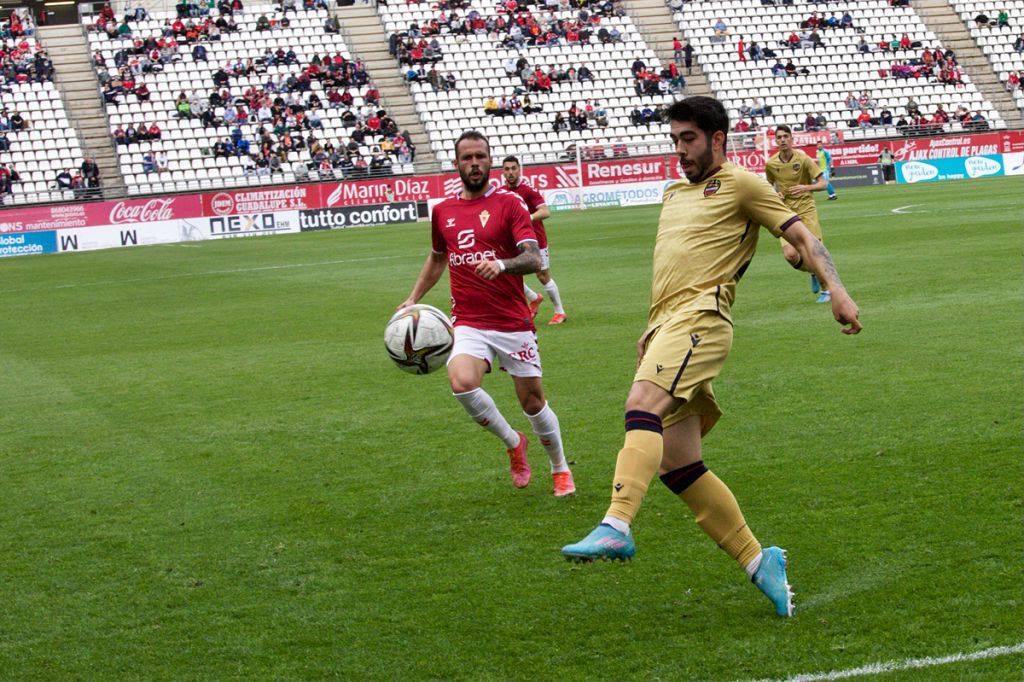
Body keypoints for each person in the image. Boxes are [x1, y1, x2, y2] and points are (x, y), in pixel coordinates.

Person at [560, 98, 862, 619]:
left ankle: (616, 524)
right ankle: (756, 559)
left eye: (689, 139)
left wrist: (835, 289)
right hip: (667, 328)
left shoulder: (743, 183)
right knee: (680, 463)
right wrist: (650, 331)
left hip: (703, 320)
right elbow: (675, 269)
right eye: (675, 139)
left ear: (718, 139)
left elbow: (801, 237)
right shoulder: (674, 193)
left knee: (640, 406)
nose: (680, 150)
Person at [398, 131, 576, 498]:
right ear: (457, 163)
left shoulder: (510, 204)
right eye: (467, 158)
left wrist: (502, 264)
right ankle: (514, 443)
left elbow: (534, 258)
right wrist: (412, 297)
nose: (475, 163)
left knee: (532, 402)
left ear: (490, 161)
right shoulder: (443, 211)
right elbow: (437, 258)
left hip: (512, 321)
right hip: (468, 320)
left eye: (480, 156)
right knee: (461, 382)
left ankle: (560, 468)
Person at [766, 125, 833, 302]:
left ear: (791, 139)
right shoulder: (771, 164)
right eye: (779, 137)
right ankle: (812, 270)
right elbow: (768, 187)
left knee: (813, 251)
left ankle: (827, 289)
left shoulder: (803, 159)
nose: (782, 140)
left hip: (806, 209)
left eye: (785, 136)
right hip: (786, 212)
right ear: (776, 140)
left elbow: (823, 184)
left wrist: (806, 187)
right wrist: (776, 194)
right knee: (790, 255)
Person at [502, 155, 567, 325]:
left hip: (535, 239)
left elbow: (545, 212)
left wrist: (525, 218)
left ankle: (560, 312)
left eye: (513, 168)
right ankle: (533, 298)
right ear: (503, 172)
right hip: (514, 240)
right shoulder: (503, 191)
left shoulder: (527, 189)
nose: (510, 172)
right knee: (508, 272)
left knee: (542, 275)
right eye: (507, 169)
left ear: (519, 169)